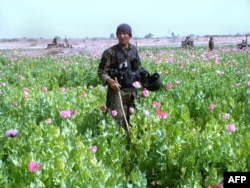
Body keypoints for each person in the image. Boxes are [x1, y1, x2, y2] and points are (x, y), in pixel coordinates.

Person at [97, 23, 147, 130]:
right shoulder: (110, 52)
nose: (122, 36)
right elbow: (101, 72)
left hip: (133, 91)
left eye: (125, 33)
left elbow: (138, 68)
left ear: (130, 35)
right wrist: (110, 81)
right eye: (119, 34)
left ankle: (132, 142)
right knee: (118, 120)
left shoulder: (134, 50)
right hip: (117, 91)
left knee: (134, 118)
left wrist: (144, 80)